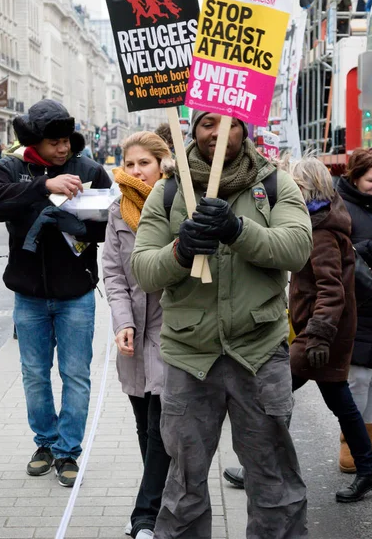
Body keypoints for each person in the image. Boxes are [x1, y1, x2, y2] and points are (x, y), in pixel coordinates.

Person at [131, 109, 313, 539]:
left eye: (229, 122)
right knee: (183, 485)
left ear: (244, 128)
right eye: (208, 122)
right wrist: (179, 251)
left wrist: (237, 230)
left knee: (274, 482)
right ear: (193, 128)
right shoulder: (169, 190)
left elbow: (297, 249)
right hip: (188, 358)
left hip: (259, 354)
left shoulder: (273, 183)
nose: (218, 132)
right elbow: (143, 269)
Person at [0, 99, 111, 487]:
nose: (63, 149)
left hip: (76, 292)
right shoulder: (9, 167)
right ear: (36, 142)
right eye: (55, 142)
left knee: (75, 374)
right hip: (28, 295)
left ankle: (67, 451)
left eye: (67, 142)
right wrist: (44, 186)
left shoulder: (89, 169)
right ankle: (45, 441)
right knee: (35, 375)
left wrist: (75, 224)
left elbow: (108, 227)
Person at [289, 156, 372, 502]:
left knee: (275, 395)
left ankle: (264, 466)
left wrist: (317, 335)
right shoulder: (325, 219)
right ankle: (368, 471)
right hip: (328, 331)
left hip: (322, 334)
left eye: (292, 187)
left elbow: (330, 289)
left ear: (304, 189)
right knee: (340, 402)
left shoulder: (321, 231)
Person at [102, 132, 173, 539]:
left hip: (169, 331)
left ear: (162, 163)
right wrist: (122, 321)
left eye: (143, 162)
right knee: (144, 423)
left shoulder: (176, 204)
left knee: (161, 428)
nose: (134, 171)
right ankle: (163, 501)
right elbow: (113, 274)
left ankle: (145, 516)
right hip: (133, 335)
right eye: (129, 164)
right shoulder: (118, 211)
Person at [337, 148, 372, 472]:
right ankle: (350, 446)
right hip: (359, 307)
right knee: (357, 379)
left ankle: (367, 445)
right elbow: (335, 255)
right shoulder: (341, 208)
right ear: (356, 178)